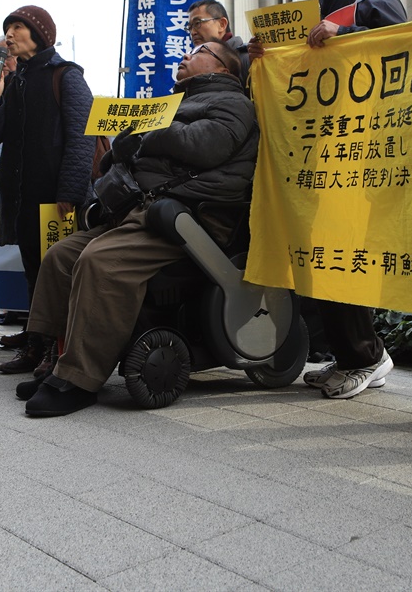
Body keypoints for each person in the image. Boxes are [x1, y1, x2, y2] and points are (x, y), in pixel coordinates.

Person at [20, 40, 257, 416]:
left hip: (187, 216)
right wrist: (130, 141)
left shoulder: (233, 103)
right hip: (139, 209)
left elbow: (206, 146)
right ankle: (57, 356)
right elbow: (121, 156)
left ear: (223, 69)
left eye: (197, 51)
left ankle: (79, 379)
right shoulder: (170, 103)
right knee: (61, 255)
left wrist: (149, 131)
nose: (184, 55)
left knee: (100, 261)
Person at [274, 0, 408, 399]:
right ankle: (350, 355)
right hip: (321, 152)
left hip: (361, 154)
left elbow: (404, 45)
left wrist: (343, 23)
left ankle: (368, 355)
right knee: (319, 254)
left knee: (342, 254)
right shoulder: (317, 12)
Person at [0, 5, 96, 349]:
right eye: (8, 28)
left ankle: (58, 345)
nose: (9, 35)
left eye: (18, 27)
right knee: (33, 267)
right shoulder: (14, 79)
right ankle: (38, 340)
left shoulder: (66, 75)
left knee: (56, 272)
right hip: (23, 195)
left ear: (40, 33)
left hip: (56, 198)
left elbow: (81, 136)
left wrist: (70, 192)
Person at [187, 0, 249, 80]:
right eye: (190, 27)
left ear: (222, 24)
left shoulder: (247, 58)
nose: (193, 32)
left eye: (197, 23)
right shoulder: (194, 64)